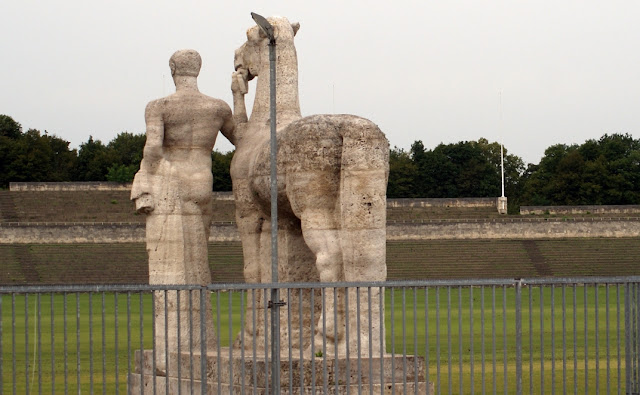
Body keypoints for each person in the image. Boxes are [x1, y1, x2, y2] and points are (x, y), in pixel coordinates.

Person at [131, 49, 234, 371]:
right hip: (201, 181)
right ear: (199, 69)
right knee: (197, 261)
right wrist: (239, 98)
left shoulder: (159, 106)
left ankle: (173, 349)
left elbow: (152, 147)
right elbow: (241, 137)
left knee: (171, 266)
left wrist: (144, 177)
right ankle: (199, 341)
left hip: (171, 181)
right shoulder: (217, 108)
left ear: (173, 68)